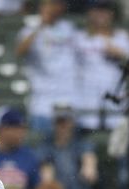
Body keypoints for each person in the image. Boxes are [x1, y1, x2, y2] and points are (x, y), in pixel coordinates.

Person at [15, 0, 80, 138]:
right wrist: (41, 26)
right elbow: (20, 51)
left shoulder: (68, 27)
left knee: (65, 141)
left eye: (56, 4)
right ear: (42, 7)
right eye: (49, 4)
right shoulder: (30, 28)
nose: (53, 8)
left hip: (67, 93)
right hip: (42, 96)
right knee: (41, 139)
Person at [74, 0, 129, 131]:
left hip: (115, 94)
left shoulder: (123, 38)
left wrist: (122, 55)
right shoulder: (79, 38)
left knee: (117, 130)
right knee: (87, 128)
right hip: (87, 94)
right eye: (97, 10)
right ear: (90, 13)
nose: (101, 14)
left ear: (112, 14)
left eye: (105, 10)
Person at [0, 107, 41, 189]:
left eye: (23, 129)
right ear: (3, 129)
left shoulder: (29, 157)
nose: (21, 133)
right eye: (17, 129)